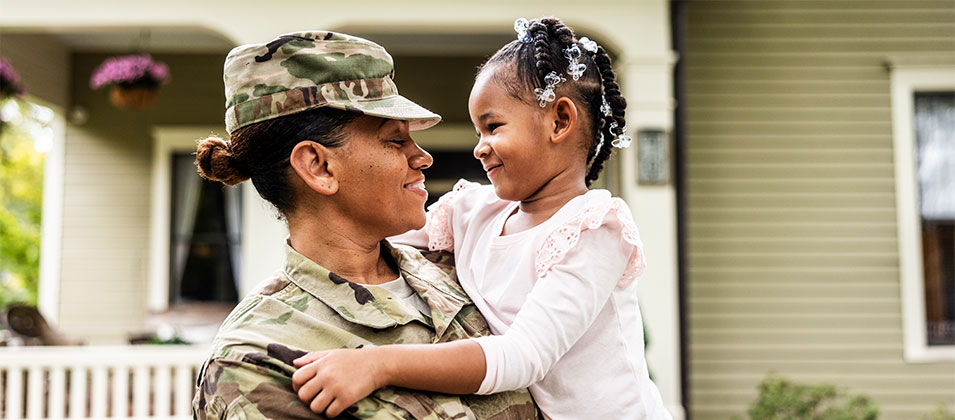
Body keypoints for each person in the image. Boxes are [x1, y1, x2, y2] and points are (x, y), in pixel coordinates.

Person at [291, 16, 672, 420]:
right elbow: (375, 245)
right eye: (477, 132)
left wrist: (378, 364)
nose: (479, 148)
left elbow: (522, 357)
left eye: (492, 127)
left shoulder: (593, 228)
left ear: (559, 121)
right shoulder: (473, 211)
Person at [191, 30, 539, 420]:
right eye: (395, 140)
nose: (422, 157)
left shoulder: (462, 268)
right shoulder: (254, 362)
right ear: (318, 167)